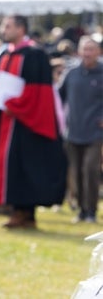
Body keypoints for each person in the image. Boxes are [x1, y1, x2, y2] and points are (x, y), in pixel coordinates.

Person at [0, 15, 67, 228]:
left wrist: (15, 104)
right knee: (10, 165)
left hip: (26, 123)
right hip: (6, 121)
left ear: (21, 28)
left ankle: (25, 213)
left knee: (25, 166)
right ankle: (18, 212)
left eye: (8, 26)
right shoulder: (4, 55)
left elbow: (39, 93)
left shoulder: (36, 55)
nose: (3, 29)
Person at [59, 36, 103, 223]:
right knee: (76, 172)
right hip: (73, 131)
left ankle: (91, 210)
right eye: (85, 49)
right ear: (79, 51)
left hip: (95, 132)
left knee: (90, 170)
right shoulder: (71, 73)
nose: (88, 53)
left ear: (98, 52)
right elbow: (58, 98)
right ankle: (81, 211)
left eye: (91, 49)